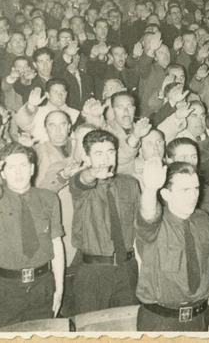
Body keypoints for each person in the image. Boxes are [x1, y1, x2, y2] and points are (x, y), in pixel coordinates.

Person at [0, 143, 65, 329]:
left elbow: (56, 242)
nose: (18, 173)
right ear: (2, 173)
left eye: (23, 166)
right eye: (11, 167)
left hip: (42, 285)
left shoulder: (49, 199)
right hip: (5, 289)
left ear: (32, 169)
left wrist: (59, 288)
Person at [136, 161, 209, 331]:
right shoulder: (156, 223)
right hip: (162, 322)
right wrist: (151, 189)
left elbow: (208, 272)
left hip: (200, 317)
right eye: (185, 190)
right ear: (166, 194)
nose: (194, 195)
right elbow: (148, 213)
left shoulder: (204, 220)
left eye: (196, 188)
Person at [70, 129, 140, 313]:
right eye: (98, 153)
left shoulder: (130, 184)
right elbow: (81, 180)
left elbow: (140, 226)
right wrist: (93, 173)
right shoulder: (81, 185)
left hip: (127, 270)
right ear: (86, 156)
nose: (106, 159)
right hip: (93, 273)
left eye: (110, 152)